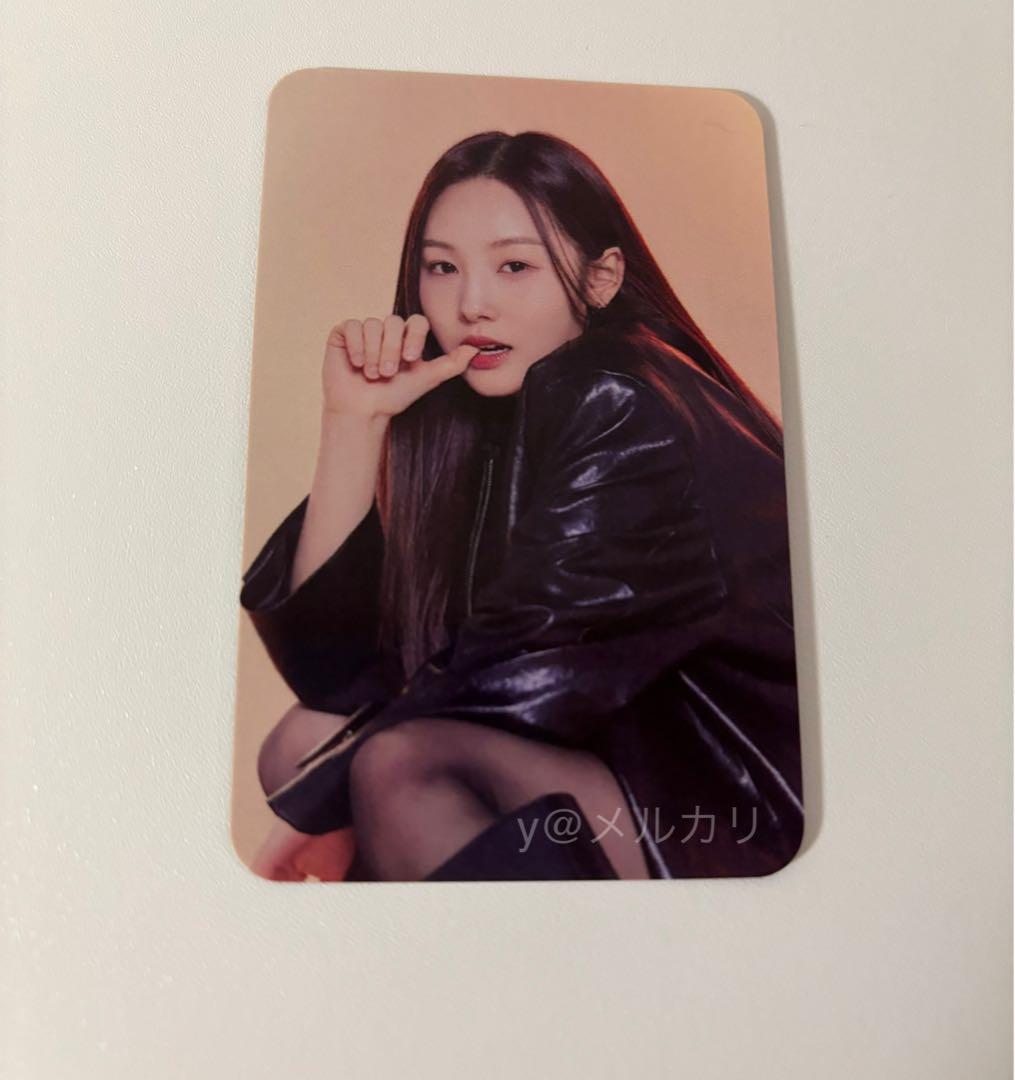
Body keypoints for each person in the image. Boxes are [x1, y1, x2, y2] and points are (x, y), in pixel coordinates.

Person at [240, 130, 804, 883]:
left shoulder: (618, 395)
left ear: (601, 279)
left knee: (396, 766)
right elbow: (336, 679)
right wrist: (354, 423)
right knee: (307, 737)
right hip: (613, 756)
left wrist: (310, 811)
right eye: (442, 268)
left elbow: (526, 659)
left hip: (736, 799)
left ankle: (536, 963)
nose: (472, 304)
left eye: (514, 266)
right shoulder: (492, 409)